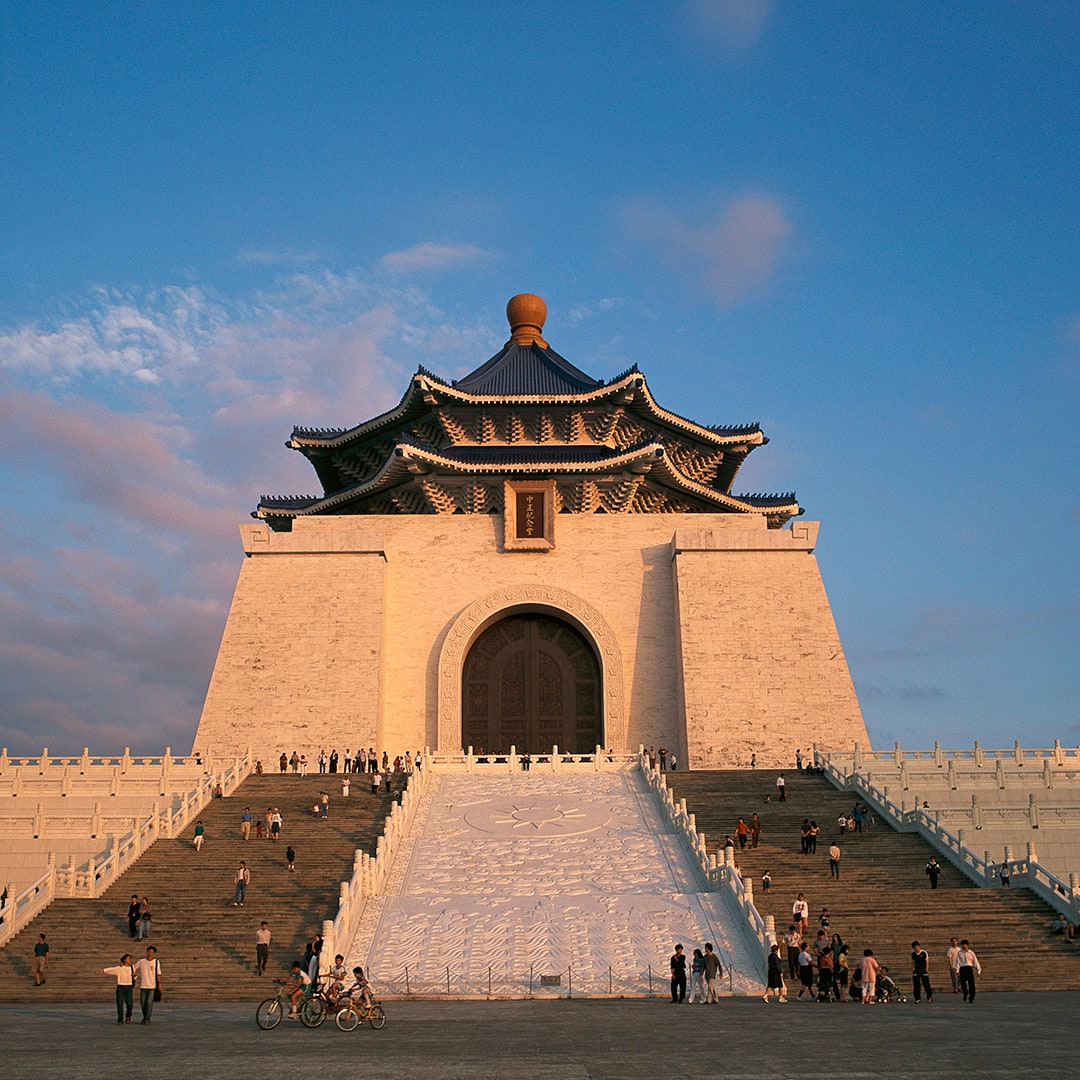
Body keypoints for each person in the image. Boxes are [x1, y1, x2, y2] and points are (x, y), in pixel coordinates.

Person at [97, 953, 134, 1024]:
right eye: (128, 958)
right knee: (120, 1004)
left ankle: (128, 1016)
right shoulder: (119, 968)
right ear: (124, 960)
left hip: (129, 987)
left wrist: (135, 976)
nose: (130, 960)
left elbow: (135, 978)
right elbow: (111, 969)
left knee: (129, 1004)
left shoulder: (132, 968)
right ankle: (120, 1019)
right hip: (121, 987)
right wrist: (103, 971)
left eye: (130, 959)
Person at [134, 945, 161, 1024]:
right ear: (147, 952)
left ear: (154, 953)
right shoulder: (142, 961)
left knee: (149, 1003)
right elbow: (134, 967)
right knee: (143, 1003)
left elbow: (159, 973)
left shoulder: (156, 962)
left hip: (152, 986)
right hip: (143, 985)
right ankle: (145, 1017)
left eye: (152, 952)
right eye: (149, 951)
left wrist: (159, 984)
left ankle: (147, 1019)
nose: (150, 953)